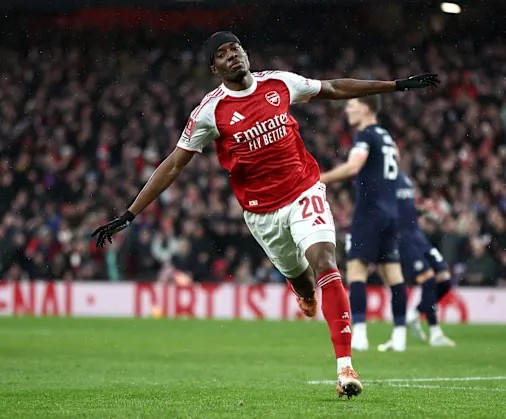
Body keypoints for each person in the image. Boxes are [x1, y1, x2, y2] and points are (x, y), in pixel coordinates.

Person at [91, 31, 440, 398]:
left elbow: (334, 87)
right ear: (214, 68)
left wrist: (396, 85)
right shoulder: (210, 111)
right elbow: (174, 165)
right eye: (222, 54)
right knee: (303, 282)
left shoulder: (280, 82)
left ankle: (345, 368)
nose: (232, 56)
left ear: (245, 53)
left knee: (325, 261)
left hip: (304, 190)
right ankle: (304, 292)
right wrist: (129, 214)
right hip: (262, 213)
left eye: (235, 49)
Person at [320, 96, 407, 353]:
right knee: (393, 275)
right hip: (391, 212)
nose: (347, 109)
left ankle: (359, 334)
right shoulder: (387, 137)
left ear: (366, 107)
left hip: (369, 212)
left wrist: (319, 179)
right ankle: (399, 336)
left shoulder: (366, 135)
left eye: (352, 104)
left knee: (356, 271)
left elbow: (353, 167)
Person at [396, 172, 456, 347]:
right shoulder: (385, 180)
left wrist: (422, 209)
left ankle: (415, 314)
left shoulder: (405, 179)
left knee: (444, 280)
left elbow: (407, 211)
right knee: (428, 280)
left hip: (418, 236)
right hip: (404, 239)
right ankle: (435, 333)